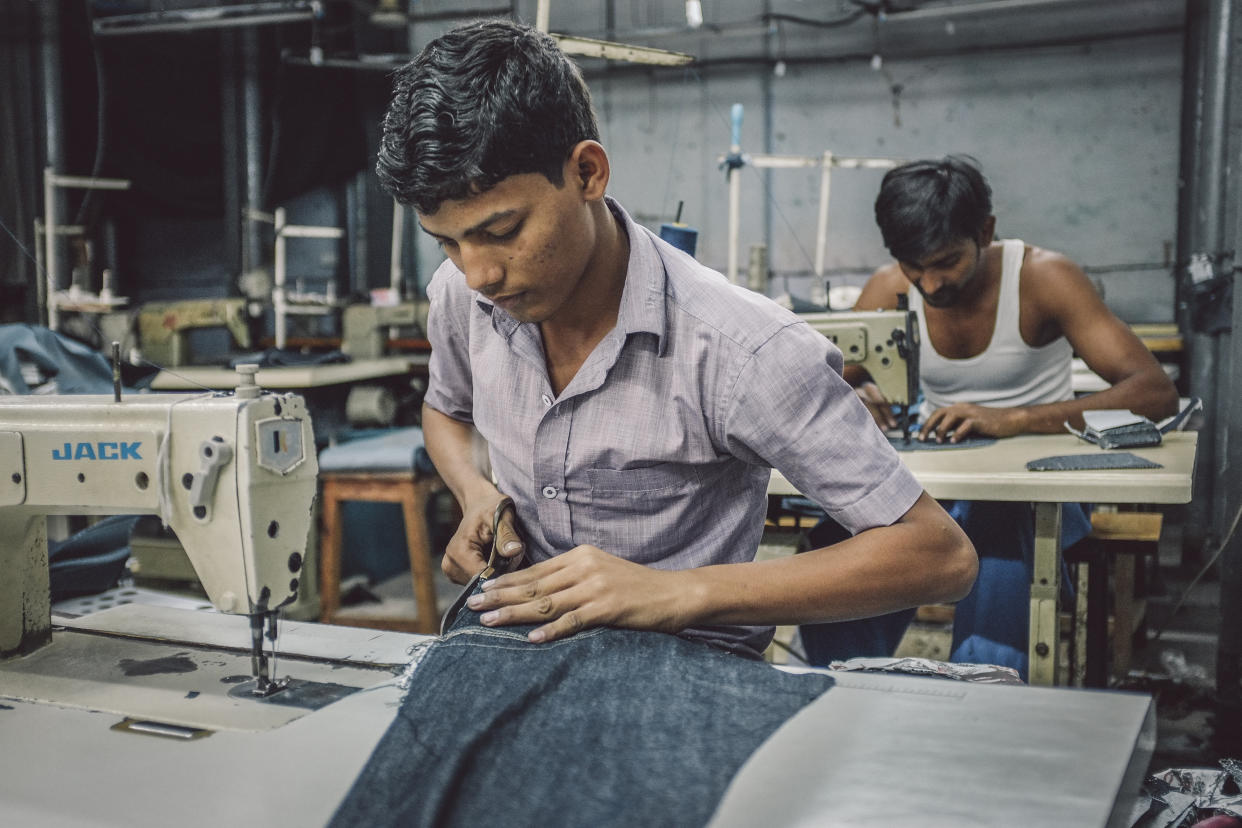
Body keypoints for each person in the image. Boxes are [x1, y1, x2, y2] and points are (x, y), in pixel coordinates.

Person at [375, 19, 976, 660]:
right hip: (518, 642)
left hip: (685, 665)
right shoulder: (460, 295)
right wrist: (476, 493)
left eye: (501, 230)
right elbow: (445, 408)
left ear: (587, 172)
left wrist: (679, 593)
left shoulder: (743, 350)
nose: (479, 274)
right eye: (448, 242)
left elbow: (937, 554)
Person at [799, 155, 1179, 676]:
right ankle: (839, 688)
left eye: (947, 262)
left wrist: (1015, 419)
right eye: (916, 268)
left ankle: (982, 702)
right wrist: (861, 393)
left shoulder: (1044, 278)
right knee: (840, 541)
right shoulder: (890, 286)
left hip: (1037, 493)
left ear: (986, 231)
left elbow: (1154, 393)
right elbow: (824, 379)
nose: (930, 286)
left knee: (994, 542)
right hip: (942, 484)